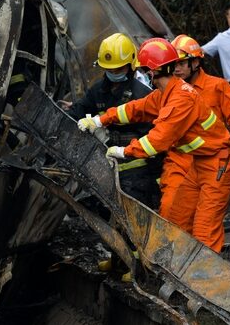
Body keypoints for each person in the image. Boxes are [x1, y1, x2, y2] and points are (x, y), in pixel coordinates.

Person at [78, 38, 230, 253]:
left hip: (217, 165)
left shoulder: (180, 99)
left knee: (204, 231)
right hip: (199, 164)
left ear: (151, 72)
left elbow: (156, 142)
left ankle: (202, 283)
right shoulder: (167, 93)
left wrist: (123, 151)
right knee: (174, 221)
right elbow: (135, 109)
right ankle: (179, 274)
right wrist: (100, 120)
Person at [63, 33, 160, 209]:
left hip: (139, 172)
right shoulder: (98, 91)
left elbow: (156, 137)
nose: (114, 74)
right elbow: (81, 111)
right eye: (110, 70)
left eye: (119, 69)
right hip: (108, 168)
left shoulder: (143, 95)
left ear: (130, 66)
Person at [169, 34, 230, 220]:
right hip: (180, 162)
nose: (176, 69)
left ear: (195, 63)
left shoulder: (217, 87)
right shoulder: (169, 91)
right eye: (173, 64)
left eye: (181, 63)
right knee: (174, 217)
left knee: (206, 222)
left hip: (212, 161)